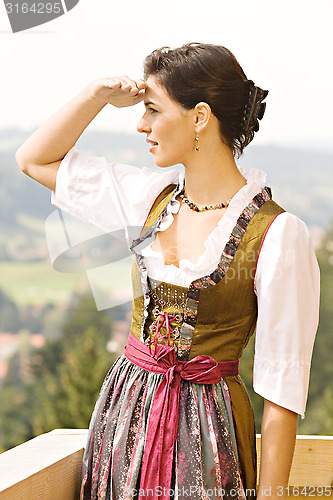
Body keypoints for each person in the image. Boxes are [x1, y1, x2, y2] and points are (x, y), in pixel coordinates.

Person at [16, 43, 320, 500]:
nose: (141, 124)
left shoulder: (277, 235)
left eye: (153, 110)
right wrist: (94, 95)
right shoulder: (149, 199)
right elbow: (35, 160)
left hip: (210, 437)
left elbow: (282, 394)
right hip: (124, 423)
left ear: (200, 117)